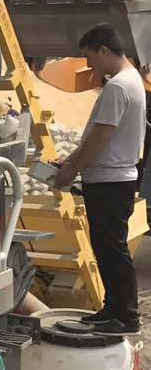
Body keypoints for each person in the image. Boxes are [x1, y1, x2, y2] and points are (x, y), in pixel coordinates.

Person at [53, 24, 145, 333]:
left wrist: (72, 168)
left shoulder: (118, 86)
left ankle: (125, 315)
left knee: (111, 249)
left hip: (110, 181)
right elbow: (97, 136)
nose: (89, 65)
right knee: (108, 248)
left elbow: (100, 137)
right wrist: (72, 160)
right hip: (114, 179)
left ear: (104, 50)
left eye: (90, 57)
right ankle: (113, 309)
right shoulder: (131, 80)